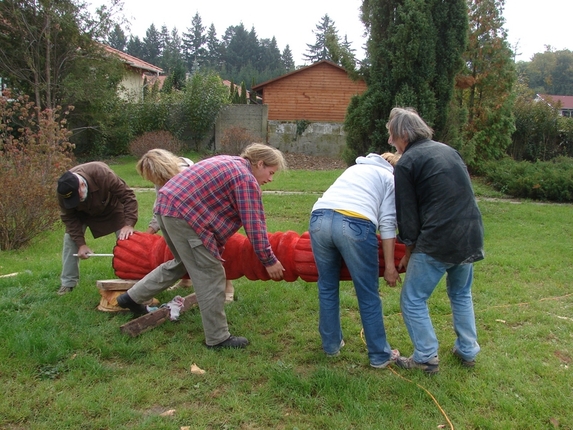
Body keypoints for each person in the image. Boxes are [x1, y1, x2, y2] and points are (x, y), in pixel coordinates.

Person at [117, 143, 287, 349]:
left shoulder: (228, 161)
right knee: (211, 273)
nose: (270, 179)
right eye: (270, 172)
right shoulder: (245, 179)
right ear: (260, 163)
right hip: (183, 216)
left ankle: (132, 297)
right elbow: (254, 224)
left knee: (181, 263)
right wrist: (269, 260)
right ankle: (218, 338)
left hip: (165, 208)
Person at [387, 107, 485, 374]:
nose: (390, 142)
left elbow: (407, 215)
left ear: (404, 134)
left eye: (392, 135)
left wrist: (409, 250)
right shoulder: (448, 150)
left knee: (413, 298)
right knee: (461, 293)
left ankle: (425, 357)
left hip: (439, 238)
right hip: (470, 234)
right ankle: (467, 351)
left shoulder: (407, 163)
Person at [309, 152, 401, 368]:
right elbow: (388, 224)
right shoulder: (389, 178)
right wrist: (389, 266)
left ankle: (331, 346)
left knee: (327, 287)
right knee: (367, 293)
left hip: (318, 218)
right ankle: (379, 355)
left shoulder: (353, 169)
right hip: (356, 223)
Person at [135, 148, 235, 300]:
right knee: (182, 249)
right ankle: (185, 280)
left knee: (216, 252)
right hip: (181, 215)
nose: (152, 181)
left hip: (206, 216)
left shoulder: (187, 173)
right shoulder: (160, 178)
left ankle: (227, 287)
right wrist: (147, 234)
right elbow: (160, 206)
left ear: (162, 169)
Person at [56, 161, 138, 295]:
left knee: (127, 240)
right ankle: (68, 283)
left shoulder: (102, 173)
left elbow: (128, 196)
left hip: (112, 208)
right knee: (70, 240)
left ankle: (133, 279)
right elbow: (69, 218)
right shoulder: (64, 190)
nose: (77, 200)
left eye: (78, 197)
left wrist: (129, 224)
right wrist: (81, 244)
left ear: (82, 185)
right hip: (82, 213)